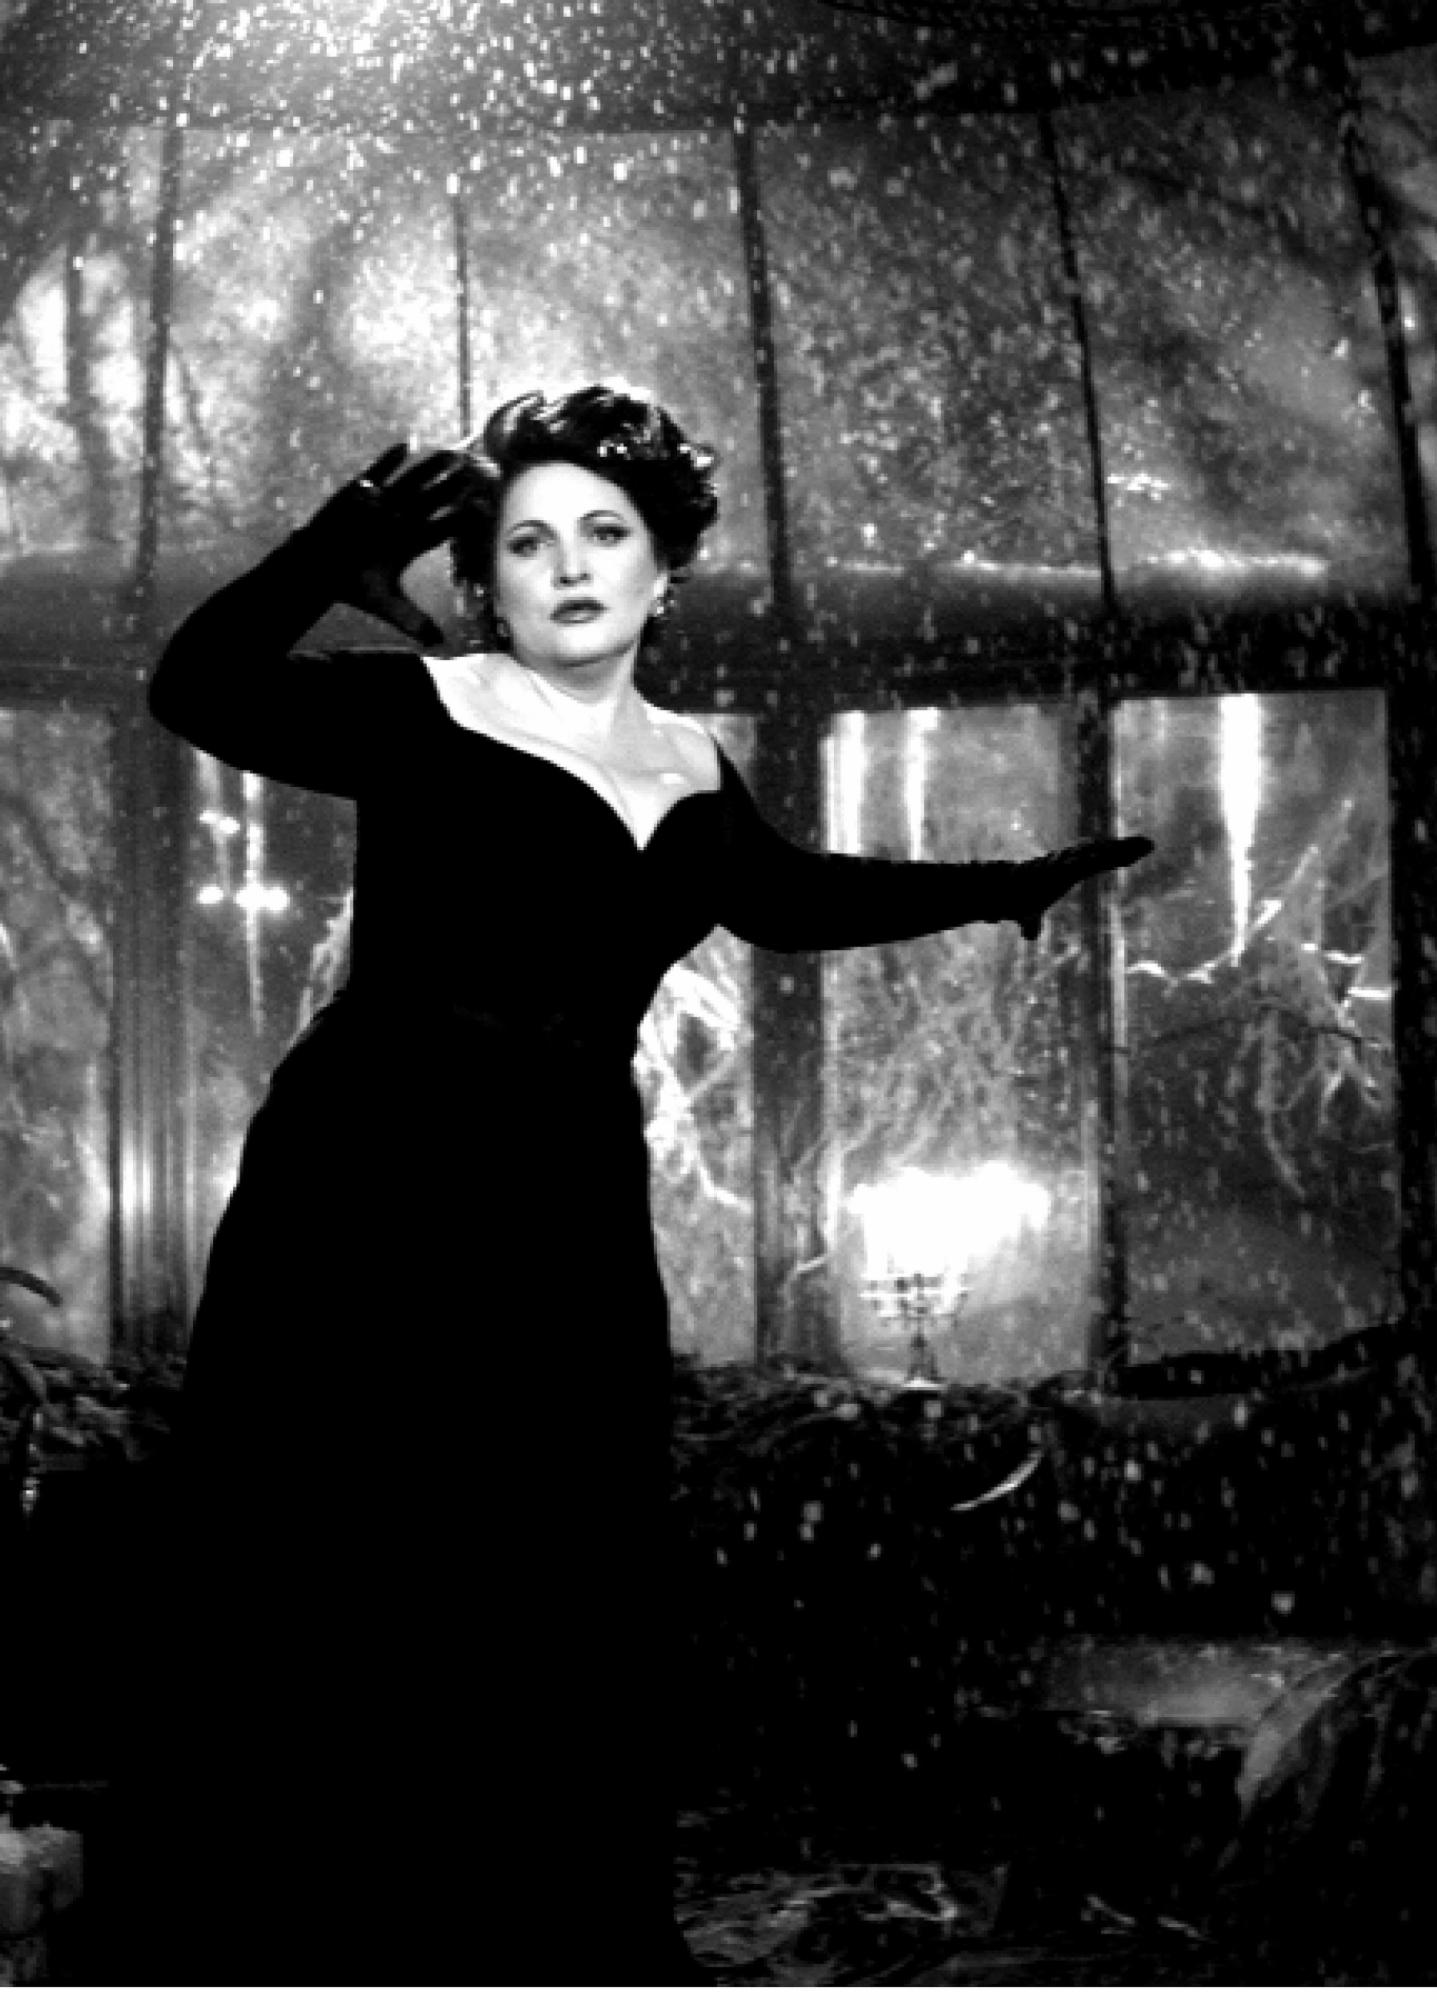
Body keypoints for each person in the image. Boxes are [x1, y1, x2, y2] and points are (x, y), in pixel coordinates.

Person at [107, 385, 1151, 1986]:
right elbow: (195, 687)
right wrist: (326, 550)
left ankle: (551, 1940)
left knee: (566, 1558)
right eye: (527, 544)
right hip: (370, 1176)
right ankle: (304, 1936)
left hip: (566, 1192)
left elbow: (787, 898)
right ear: (486, 580)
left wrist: (1001, 888)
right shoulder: (423, 705)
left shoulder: (694, 767)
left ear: (666, 568)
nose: (569, 567)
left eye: (605, 533)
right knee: (338, 1543)